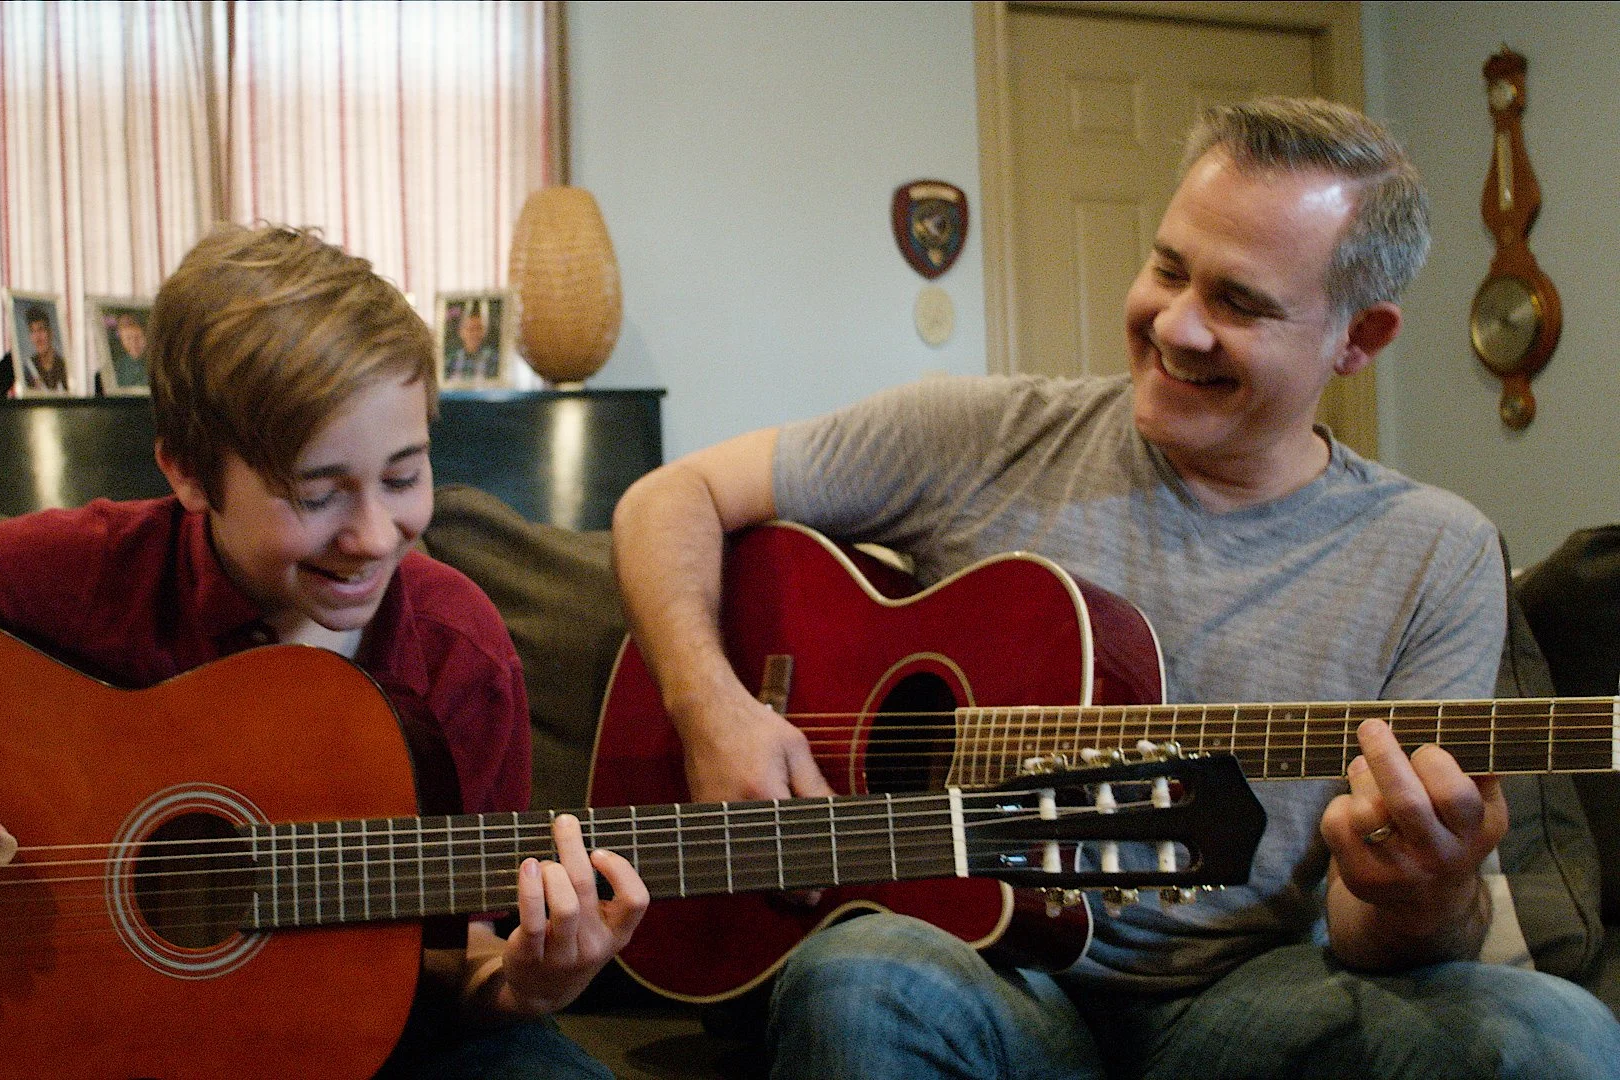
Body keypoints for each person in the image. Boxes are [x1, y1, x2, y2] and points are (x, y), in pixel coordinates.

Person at [610, 98, 1620, 1079]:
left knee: (1554, 1037)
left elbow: (1371, 936)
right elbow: (669, 497)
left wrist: (1420, 891)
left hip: (1245, 1000)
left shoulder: (1436, 551)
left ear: (1361, 337)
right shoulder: (982, 436)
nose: (1175, 326)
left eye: (1239, 303)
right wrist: (713, 711)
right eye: (1168, 269)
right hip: (987, 977)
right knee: (859, 978)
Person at [0, 224, 647, 1078]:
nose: (372, 534)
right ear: (188, 473)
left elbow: (454, 953)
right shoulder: (93, 566)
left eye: (404, 477)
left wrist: (524, 983)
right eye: (316, 494)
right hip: (73, 1028)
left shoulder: (458, 653)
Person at [0, 306, 71, 398]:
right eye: (33, 331)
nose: (37, 338)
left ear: (50, 332)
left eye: (41, 330)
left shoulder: (64, 366)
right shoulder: (27, 368)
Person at [443, 303, 499, 382]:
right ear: (461, 332)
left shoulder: (493, 359)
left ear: (484, 332)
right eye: (470, 329)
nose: (475, 334)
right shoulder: (451, 359)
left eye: (479, 329)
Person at [109, 309, 149, 389]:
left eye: (138, 337)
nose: (134, 343)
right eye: (128, 338)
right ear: (122, 340)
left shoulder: (157, 363)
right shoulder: (117, 368)